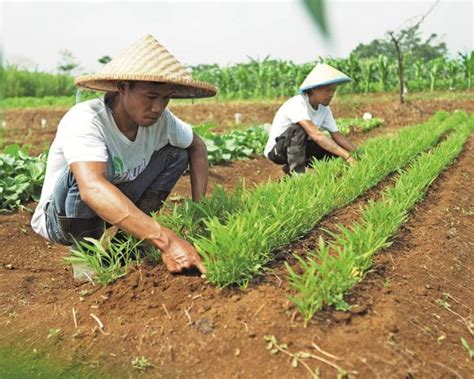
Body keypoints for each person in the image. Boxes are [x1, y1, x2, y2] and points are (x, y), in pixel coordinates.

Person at [31, 34, 218, 276]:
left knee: (176, 155)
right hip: (61, 218)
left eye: (166, 98)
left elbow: (197, 147)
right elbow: (92, 188)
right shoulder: (86, 119)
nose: (158, 108)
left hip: (112, 202)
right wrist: (168, 241)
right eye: (151, 96)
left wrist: (198, 213)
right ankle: (87, 259)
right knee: (83, 174)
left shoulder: (163, 121)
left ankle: (127, 248)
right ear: (122, 87)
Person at [264, 63, 357, 174]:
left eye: (333, 90)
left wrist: (358, 154)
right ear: (314, 89)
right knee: (302, 129)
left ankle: (293, 169)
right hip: (278, 151)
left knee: (332, 147)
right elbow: (316, 135)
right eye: (328, 90)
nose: (331, 94)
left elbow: (337, 135)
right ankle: (298, 171)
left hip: (300, 149)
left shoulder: (324, 108)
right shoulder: (298, 103)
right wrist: (347, 157)